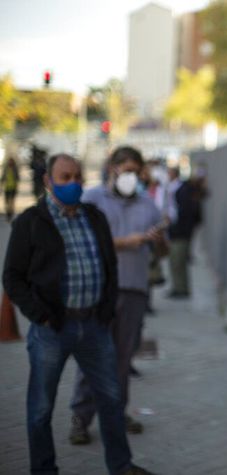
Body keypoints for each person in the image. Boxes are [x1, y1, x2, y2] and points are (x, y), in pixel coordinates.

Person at [2, 153, 151, 475]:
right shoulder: (30, 222)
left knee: (111, 400)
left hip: (94, 326)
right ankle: (43, 469)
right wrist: (39, 315)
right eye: (65, 177)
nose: (72, 184)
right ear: (48, 181)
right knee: (40, 408)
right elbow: (12, 277)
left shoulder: (93, 216)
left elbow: (109, 266)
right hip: (51, 329)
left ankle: (121, 466)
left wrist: (106, 309)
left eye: (77, 177)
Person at [70, 146, 166, 441]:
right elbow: (83, 242)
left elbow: (162, 250)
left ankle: (115, 414)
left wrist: (159, 240)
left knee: (122, 360)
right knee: (93, 356)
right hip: (98, 291)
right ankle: (80, 419)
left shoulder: (148, 206)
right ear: (112, 168)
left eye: (136, 172)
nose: (131, 177)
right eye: (126, 171)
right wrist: (127, 242)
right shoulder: (91, 200)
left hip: (134, 290)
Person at [167, 172, 205, 298]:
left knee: (178, 262)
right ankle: (179, 288)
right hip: (180, 232)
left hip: (180, 233)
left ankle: (181, 289)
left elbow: (185, 215)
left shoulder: (184, 192)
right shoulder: (184, 191)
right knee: (177, 262)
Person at [1, 156, 20, 220]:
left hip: (13, 188)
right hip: (7, 188)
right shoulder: (6, 168)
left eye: (11, 161)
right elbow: (3, 177)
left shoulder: (15, 169)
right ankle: (8, 213)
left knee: (11, 202)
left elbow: (18, 178)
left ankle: (10, 214)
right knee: (6, 202)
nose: (10, 162)